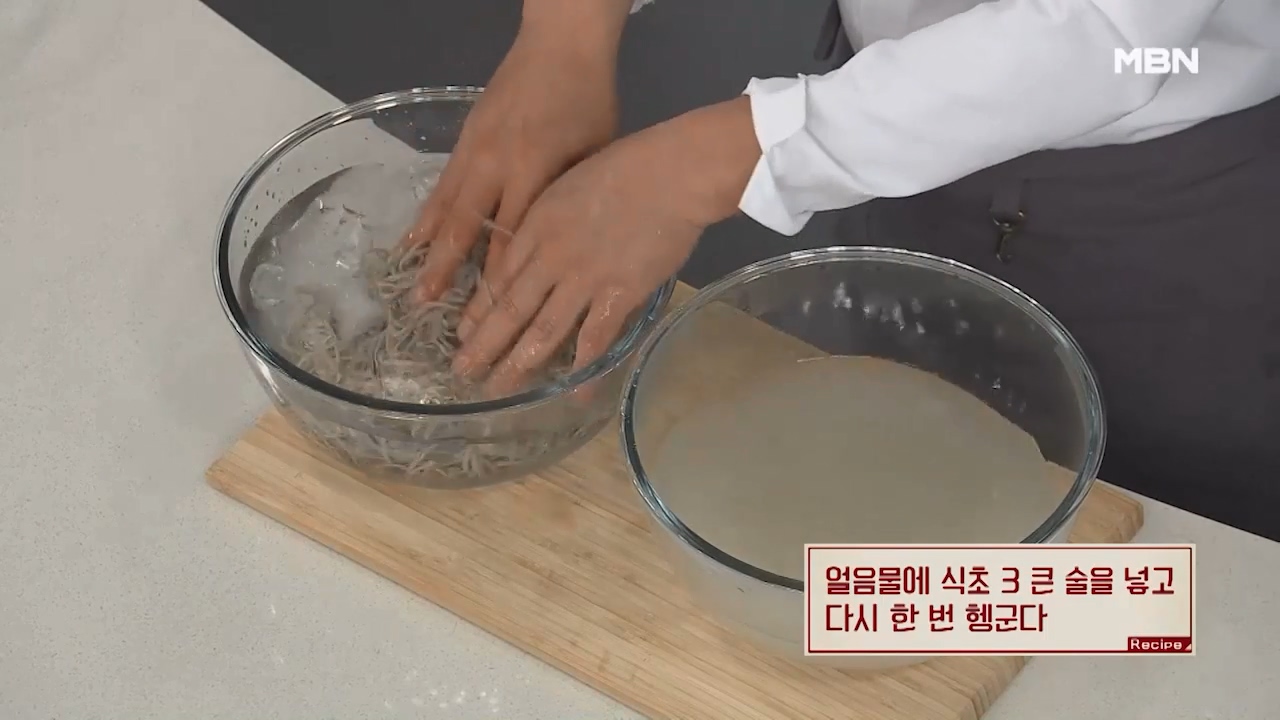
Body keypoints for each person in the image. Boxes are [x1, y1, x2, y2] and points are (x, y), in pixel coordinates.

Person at [406, 0, 1280, 536]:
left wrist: (715, 161)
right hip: (888, 125)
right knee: (889, 487)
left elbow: (1105, 32)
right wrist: (568, 30)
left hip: (1166, 201)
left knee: (1153, 577)